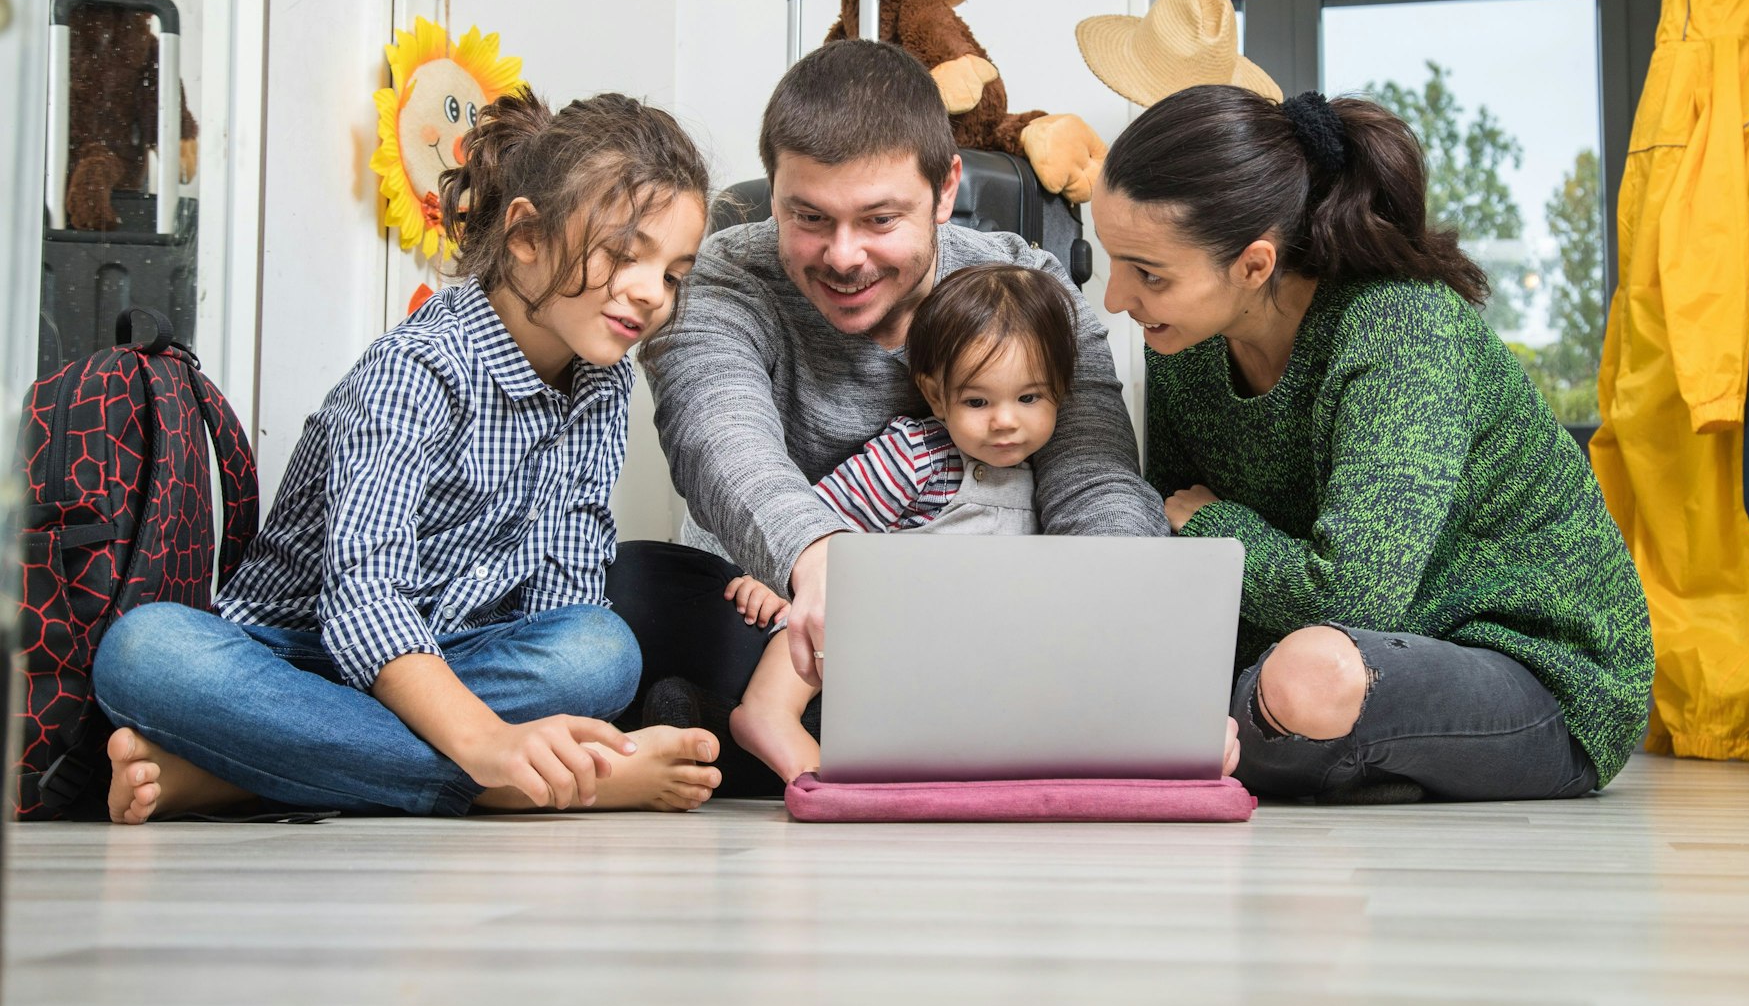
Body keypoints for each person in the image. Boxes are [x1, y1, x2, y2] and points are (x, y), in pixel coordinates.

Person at [90, 89, 726, 823]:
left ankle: (247, 771)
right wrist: (488, 743)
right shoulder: (418, 368)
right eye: (623, 255)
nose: (651, 294)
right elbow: (364, 601)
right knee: (145, 650)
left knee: (602, 649)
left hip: (453, 660)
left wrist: (496, 710)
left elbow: (563, 598)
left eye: (673, 274)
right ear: (524, 234)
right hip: (297, 656)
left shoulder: (604, 381)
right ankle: (494, 783)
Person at [621, 41, 1171, 782]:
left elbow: (1094, 478)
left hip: (983, 623)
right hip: (777, 616)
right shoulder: (723, 274)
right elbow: (716, 435)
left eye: (880, 219)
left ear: (945, 190)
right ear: (774, 195)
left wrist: (1118, 630)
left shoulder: (1033, 289)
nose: (844, 256)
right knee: (629, 590)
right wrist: (817, 560)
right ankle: (867, 734)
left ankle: (733, 733)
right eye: (808, 217)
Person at [1095, 84, 1653, 803]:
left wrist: (1213, 525)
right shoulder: (1183, 348)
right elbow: (1194, 574)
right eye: (1113, 260)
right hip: (1342, 645)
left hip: (1540, 670)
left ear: (1255, 264)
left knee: (1308, 679)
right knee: (1187, 700)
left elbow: (1356, 592)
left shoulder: (1401, 327)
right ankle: (1328, 755)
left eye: (1149, 274)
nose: (1115, 298)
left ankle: (1304, 747)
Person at [728, 263, 1080, 783]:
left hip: (961, 659)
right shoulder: (918, 455)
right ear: (937, 396)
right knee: (838, 596)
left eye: (1029, 398)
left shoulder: (1049, 479)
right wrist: (769, 581)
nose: (1006, 421)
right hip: (886, 639)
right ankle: (769, 711)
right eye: (977, 401)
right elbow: (817, 525)